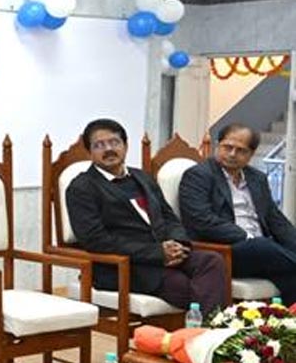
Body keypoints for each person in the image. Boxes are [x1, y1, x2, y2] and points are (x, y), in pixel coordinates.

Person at [66, 118, 227, 314]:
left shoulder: (142, 177)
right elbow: (96, 240)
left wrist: (178, 243)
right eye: (99, 145)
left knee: (211, 261)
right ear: (89, 152)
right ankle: (212, 327)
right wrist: (157, 252)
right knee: (187, 286)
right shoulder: (82, 187)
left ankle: (208, 327)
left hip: (163, 254)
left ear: (125, 146)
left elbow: (169, 216)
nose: (108, 149)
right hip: (124, 264)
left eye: (114, 142)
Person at [179, 123, 296, 305]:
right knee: (264, 246)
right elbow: (202, 221)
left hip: (264, 252)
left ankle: (285, 319)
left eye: (241, 150)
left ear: (251, 154)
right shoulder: (198, 176)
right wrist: (246, 237)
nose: (232, 154)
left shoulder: (257, 178)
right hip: (224, 251)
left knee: (288, 271)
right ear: (218, 145)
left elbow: (276, 220)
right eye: (228, 147)